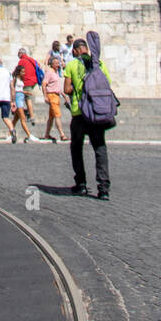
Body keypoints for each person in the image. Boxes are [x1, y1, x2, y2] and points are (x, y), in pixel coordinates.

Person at [63, 33, 112, 199]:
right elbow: (107, 84)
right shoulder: (100, 64)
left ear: (76, 50)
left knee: (76, 148)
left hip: (79, 112)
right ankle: (103, 188)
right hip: (97, 112)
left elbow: (67, 89)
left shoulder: (72, 65)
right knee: (100, 148)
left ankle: (81, 184)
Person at [41, 54, 69, 142]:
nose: (58, 65)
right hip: (52, 95)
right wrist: (45, 96)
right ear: (52, 64)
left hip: (56, 95)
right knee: (57, 115)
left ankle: (46, 134)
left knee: (52, 116)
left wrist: (64, 96)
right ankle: (62, 134)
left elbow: (58, 87)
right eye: (56, 63)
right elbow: (44, 84)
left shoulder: (55, 73)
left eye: (58, 63)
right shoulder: (49, 72)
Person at [13, 48, 41, 130]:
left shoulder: (22, 60)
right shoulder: (31, 59)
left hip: (27, 81)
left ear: (21, 54)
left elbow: (17, 71)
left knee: (28, 99)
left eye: (18, 53)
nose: (18, 55)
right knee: (25, 98)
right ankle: (26, 112)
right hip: (34, 81)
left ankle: (31, 116)